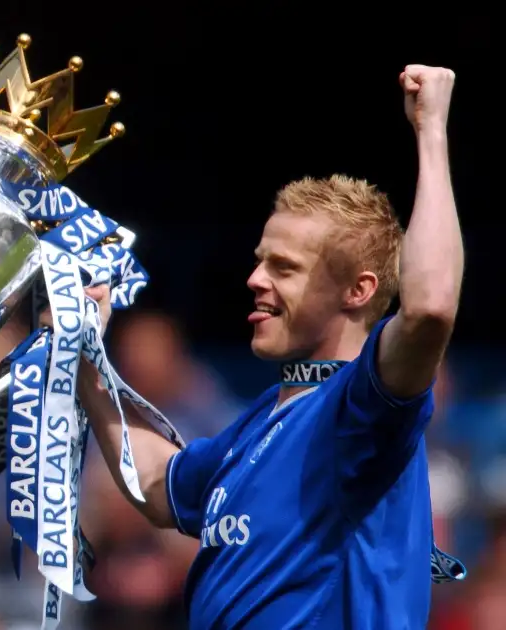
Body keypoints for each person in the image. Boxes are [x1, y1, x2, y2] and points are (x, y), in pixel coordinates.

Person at [77, 64, 463, 628]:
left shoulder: (361, 411)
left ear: (358, 290)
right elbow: (162, 485)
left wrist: (431, 130)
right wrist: (83, 356)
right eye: (260, 260)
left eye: (284, 268)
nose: (256, 279)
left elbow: (430, 308)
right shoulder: (260, 422)